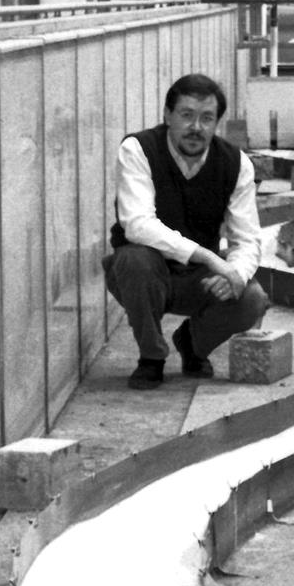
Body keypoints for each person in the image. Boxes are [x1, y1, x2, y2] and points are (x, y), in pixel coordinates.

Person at [104, 72, 268, 389]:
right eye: (187, 115)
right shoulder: (138, 149)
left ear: (217, 122)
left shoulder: (237, 164)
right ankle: (151, 357)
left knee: (252, 298)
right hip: (143, 274)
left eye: (207, 118)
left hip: (195, 277)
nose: (196, 127)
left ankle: (193, 344)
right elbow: (137, 224)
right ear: (168, 116)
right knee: (135, 260)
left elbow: (247, 239)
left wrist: (234, 273)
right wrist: (210, 258)